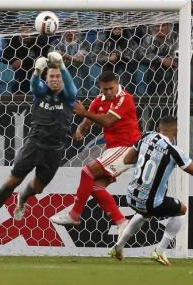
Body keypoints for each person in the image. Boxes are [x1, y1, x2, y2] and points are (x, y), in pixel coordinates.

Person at [0, 51, 77, 236]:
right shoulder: (41, 92)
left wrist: (61, 66)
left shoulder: (68, 97)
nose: (54, 79)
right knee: (13, 181)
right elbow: (34, 85)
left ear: (62, 78)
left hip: (54, 151)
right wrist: (37, 72)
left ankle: (22, 199)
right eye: (51, 76)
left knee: (37, 188)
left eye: (58, 76)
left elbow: (73, 90)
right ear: (47, 78)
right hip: (33, 146)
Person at [51, 71, 141, 235]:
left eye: (110, 88)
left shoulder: (124, 98)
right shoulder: (98, 101)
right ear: (99, 87)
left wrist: (84, 112)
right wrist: (80, 131)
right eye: (104, 89)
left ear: (117, 84)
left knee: (87, 171)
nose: (107, 92)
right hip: (113, 149)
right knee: (94, 187)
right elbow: (87, 123)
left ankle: (74, 214)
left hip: (127, 147)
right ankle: (122, 222)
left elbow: (107, 120)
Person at [109, 116, 193, 266]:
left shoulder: (146, 136)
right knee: (182, 210)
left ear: (159, 128)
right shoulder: (174, 151)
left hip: (131, 197)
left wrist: (149, 157)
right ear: (176, 130)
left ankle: (117, 247)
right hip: (151, 203)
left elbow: (127, 160)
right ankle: (160, 251)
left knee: (142, 213)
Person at [2, 24, 50, 94]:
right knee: (17, 88)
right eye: (22, 31)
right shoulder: (14, 40)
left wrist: (23, 62)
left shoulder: (40, 40)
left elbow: (45, 57)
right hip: (22, 73)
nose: (25, 33)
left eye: (28, 31)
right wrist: (14, 60)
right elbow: (4, 57)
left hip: (39, 73)